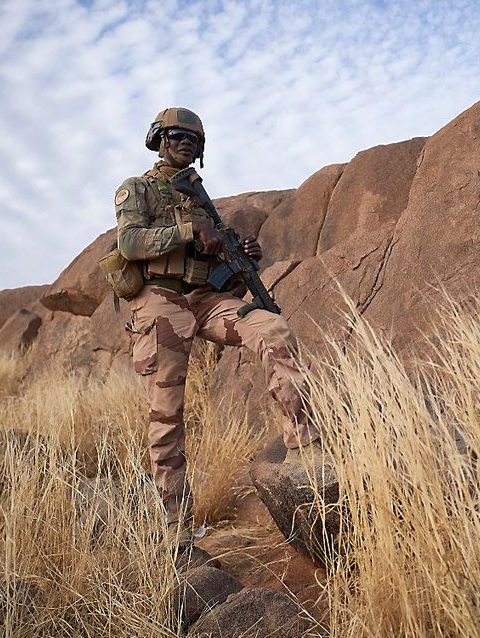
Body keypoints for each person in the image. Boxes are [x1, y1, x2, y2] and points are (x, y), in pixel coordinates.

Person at [113, 107, 322, 537]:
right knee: (166, 412)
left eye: (194, 138)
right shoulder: (138, 189)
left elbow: (211, 259)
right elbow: (131, 243)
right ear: (159, 138)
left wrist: (236, 252)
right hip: (160, 301)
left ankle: (306, 451)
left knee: (272, 329)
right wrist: (190, 232)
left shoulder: (200, 198)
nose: (186, 142)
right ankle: (176, 530)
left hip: (206, 300)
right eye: (177, 135)